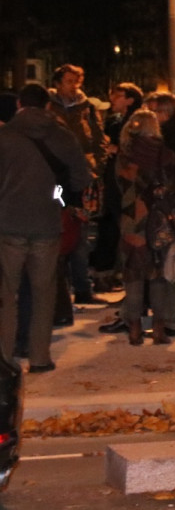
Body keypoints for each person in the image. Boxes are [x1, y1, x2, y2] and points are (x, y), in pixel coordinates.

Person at [0, 83, 90, 371]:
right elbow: (79, 179)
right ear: (48, 105)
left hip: (8, 223)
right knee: (43, 292)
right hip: (48, 223)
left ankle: (5, 357)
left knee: (7, 294)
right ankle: (40, 357)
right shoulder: (62, 136)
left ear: (19, 105)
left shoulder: (5, 136)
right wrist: (57, 196)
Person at [115, 109, 175, 345]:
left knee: (134, 274)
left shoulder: (125, 156)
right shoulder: (166, 154)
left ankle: (135, 327)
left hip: (132, 219)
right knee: (158, 274)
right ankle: (159, 328)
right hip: (159, 221)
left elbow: (117, 189)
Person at [47, 64, 108, 309]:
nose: (74, 86)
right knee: (58, 228)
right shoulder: (49, 107)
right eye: (69, 80)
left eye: (77, 81)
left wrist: (97, 167)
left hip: (83, 176)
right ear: (58, 82)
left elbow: (98, 138)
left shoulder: (87, 108)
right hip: (56, 179)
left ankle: (83, 287)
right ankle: (59, 291)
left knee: (82, 233)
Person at [90, 82, 144, 293]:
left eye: (118, 95)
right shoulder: (116, 122)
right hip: (114, 182)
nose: (113, 99)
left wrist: (118, 150)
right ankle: (108, 272)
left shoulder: (135, 123)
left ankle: (111, 273)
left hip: (123, 185)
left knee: (115, 226)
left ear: (130, 99)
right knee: (111, 226)